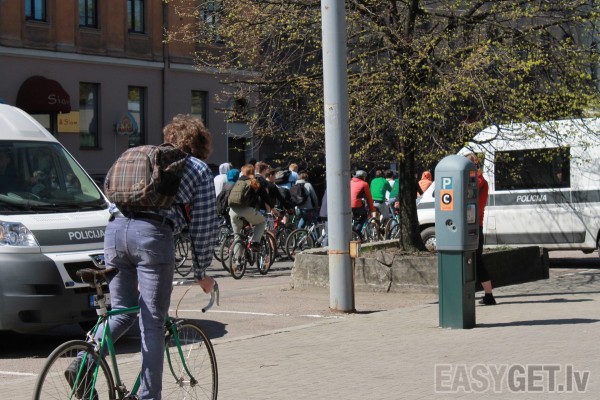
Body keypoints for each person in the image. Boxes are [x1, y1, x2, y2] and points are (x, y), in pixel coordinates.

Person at [75, 114, 218, 399]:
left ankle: (83, 362)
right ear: (201, 144)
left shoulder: (144, 157)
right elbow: (204, 225)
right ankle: (149, 396)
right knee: (152, 321)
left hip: (115, 232)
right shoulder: (198, 168)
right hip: (152, 237)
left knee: (122, 311)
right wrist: (201, 273)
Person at [465, 153, 496, 306]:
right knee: (477, 260)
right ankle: (488, 294)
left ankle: (489, 295)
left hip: (473, 225)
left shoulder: (477, 181)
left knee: (477, 261)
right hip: (476, 224)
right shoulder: (480, 180)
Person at [229, 163, 270, 250]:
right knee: (262, 222)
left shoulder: (238, 182)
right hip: (246, 210)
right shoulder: (254, 182)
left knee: (237, 237)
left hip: (232, 210)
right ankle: (255, 243)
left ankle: (237, 258)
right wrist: (272, 208)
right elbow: (265, 197)